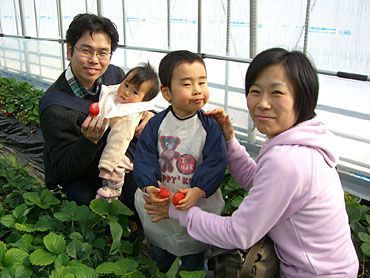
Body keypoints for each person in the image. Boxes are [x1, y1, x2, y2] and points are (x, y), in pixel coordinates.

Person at [144, 48, 359, 277]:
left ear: (303, 96)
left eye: (277, 93)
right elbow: (259, 182)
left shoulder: (289, 161)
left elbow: (239, 233)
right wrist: (229, 140)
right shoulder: (304, 140)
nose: (262, 103)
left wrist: (175, 211)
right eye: (255, 91)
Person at [38, 13, 153, 221]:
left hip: (114, 160)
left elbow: (138, 100)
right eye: (86, 50)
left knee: (141, 193)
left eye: (103, 53)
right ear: (69, 51)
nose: (94, 61)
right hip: (82, 172)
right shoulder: (55, 107)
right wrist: (89, 140)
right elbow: (63, 169)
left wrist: (146, 113)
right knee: (88, 205)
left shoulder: (115, 76)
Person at [133, 50, 227, 273]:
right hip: (162, 200)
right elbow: (144, 157)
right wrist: (149, 186)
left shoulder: (209, 127)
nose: (197, 90)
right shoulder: (157, 124)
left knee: (193, 254)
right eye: (187, 84)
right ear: (167, 92)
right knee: (161, 248)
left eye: (202, 82)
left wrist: (198, 190)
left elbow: (216, 162)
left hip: (197, 201)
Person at [96, 62, 159, 202]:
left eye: (135, 92)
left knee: (116, 167)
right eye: (125, 85)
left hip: (125, 154)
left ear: (144, 100)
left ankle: (112, 191)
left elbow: (118, 141)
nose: (126, 92)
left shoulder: (129, 116)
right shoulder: (114, 96)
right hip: (134, 151)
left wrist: (107, 162)